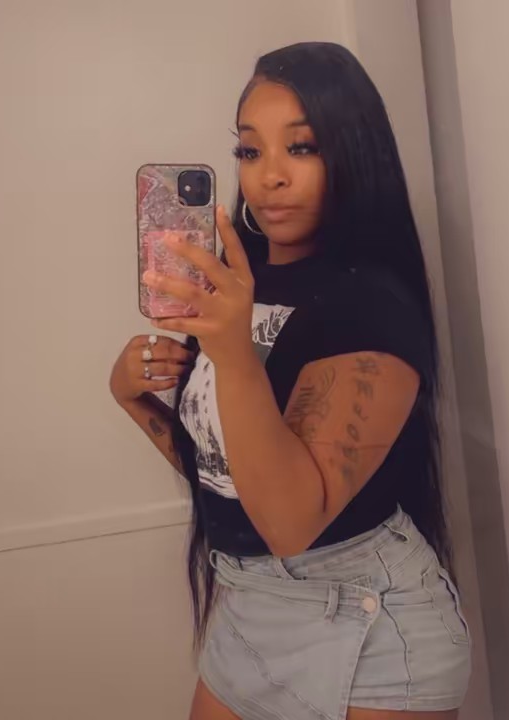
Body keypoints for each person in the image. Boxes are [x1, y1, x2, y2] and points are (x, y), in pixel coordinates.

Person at [110, 42, 471, 720]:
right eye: (250, 150)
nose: (269, 176)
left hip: (369, 624)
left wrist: (233, 354)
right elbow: (228, 475)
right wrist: (133, 399)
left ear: (353, 155)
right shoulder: (241, 282)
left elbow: (290, 522)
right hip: (248, 611)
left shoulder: (371, 304)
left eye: (301, 148)